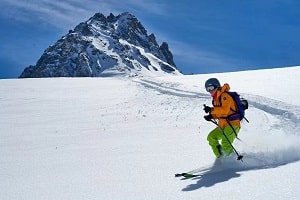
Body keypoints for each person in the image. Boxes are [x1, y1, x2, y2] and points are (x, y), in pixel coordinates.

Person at [203, 78, 241, 158]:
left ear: (217, 86)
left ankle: (232, 162)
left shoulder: (225, 96)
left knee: (225, 142)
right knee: (211, 137)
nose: (210, 91)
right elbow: (220, 114)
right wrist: (211, 116)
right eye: (208, 89)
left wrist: (211, 109)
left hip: (233, 124)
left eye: (211, 88)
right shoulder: (215, 100)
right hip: (223, 125)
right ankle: (221, 158)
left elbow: (225, 110)